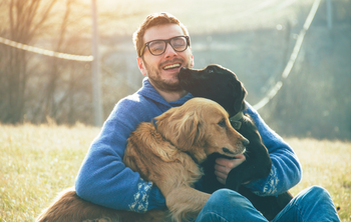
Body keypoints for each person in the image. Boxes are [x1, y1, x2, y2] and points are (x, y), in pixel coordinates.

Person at [75, 12, 340, 221]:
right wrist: (169, 193)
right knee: (222, 200)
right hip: (208, 213)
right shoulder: (131, 110)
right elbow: (91, 179)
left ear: (190, 54)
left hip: (254, 214)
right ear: (141, 64)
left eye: (178, 43)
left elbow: (290, 163)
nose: (170, 51)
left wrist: (250, 175)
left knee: (316, 197)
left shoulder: (216, 100)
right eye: (156, 47)